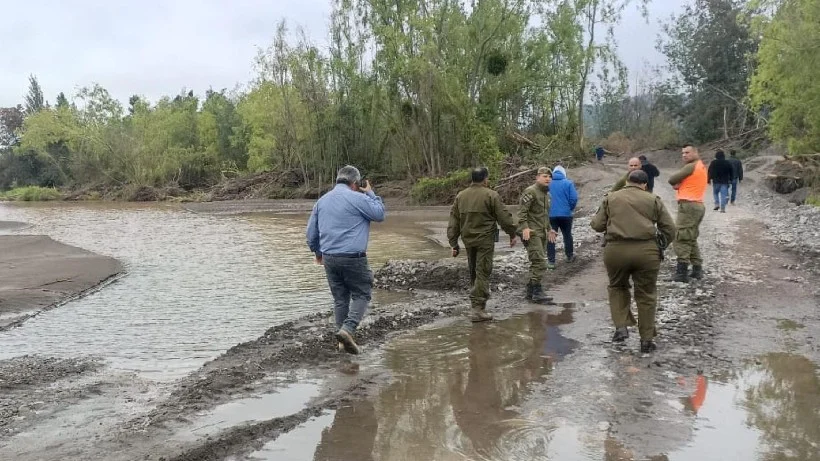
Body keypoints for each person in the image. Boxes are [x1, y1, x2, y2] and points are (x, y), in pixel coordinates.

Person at [591, 170, 676, 353]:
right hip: (646, 252)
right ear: (644, 184)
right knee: (646, 294)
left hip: (616, 251)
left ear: (627, 182)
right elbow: (670, 229)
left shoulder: (611, 198)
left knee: (617, 287)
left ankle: (621, 327)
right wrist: (660, 245)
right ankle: (646, 340)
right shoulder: (653, 200)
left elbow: (597, 225)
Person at [306, 165, 386, 355]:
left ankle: (342, 344)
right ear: (355, 183)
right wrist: (371, 193)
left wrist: (318, 253)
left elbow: (310, 234)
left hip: (330, 258)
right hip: (353, 257)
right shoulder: (358, 198)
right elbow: (380, 214)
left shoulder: (322, 201)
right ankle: (347, 330)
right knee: (362, 294)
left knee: (340, 299)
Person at [447, 167, 518, 322]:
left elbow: (454, 221)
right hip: (485, 239)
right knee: (483, 271)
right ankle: (478, 309)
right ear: (485, 179)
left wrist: (454, 243)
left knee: (474, 270)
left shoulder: (461, 196)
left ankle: (477, 303)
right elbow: (504, 217)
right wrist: (512, 233)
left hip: (468, 240)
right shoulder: (491, 195)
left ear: (472, 179)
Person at [668, 144, 708, 282]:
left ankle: (682, 272)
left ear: (696, 152)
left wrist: (677, 184)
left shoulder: (690, 166)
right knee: (691, 237)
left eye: (687, 152)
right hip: (698, 204)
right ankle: (697, 269)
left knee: (681, 237)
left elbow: (672, 179)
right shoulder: (700, 166)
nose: (684, 155)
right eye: (683, 153)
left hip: (689, 205)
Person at [517, 167, 557, 303]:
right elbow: (522, 213)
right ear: (537, 177)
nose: (548, 179)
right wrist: (525, 228)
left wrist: (550, 228)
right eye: (545, 176)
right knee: (540, 261)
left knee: (537, 261)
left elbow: (544, 215)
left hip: (542, 232)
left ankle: (530, 290)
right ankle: (537, 291)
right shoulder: (530, 192)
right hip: (531, 233)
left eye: (549, 177)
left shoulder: (547, 195)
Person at [548, 165, 578, 268]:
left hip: (551, 215)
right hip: (566, 215)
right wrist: (569, 208)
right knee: (567, 235)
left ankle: (551, 261)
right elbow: (574, 198)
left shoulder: (548, 183)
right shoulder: (568, 183)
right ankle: (569, 256)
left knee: (551, 236)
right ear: (564, 173)